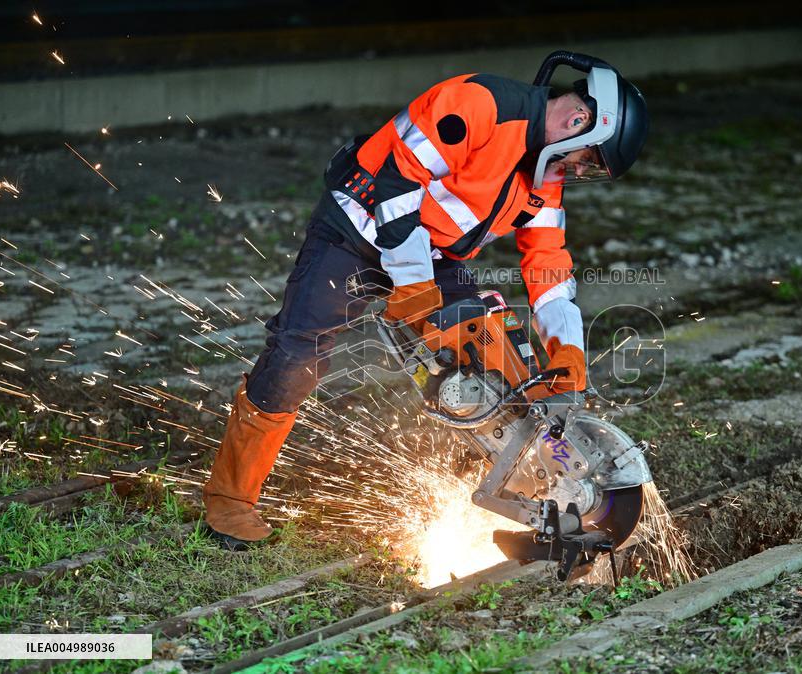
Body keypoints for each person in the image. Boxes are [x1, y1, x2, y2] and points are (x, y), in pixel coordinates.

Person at [202, 51, 650, 549]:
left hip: (431, 251)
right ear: (579, 120)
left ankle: (540, 493)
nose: (578, 168)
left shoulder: (544, 177)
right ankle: (230, 501)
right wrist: (413, 286)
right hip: (356, 229)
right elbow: (396, 187)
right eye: (586, 156)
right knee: (297, 354)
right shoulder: (477, 104)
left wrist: (567, 351)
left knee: (494, 358)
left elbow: (548, 262)